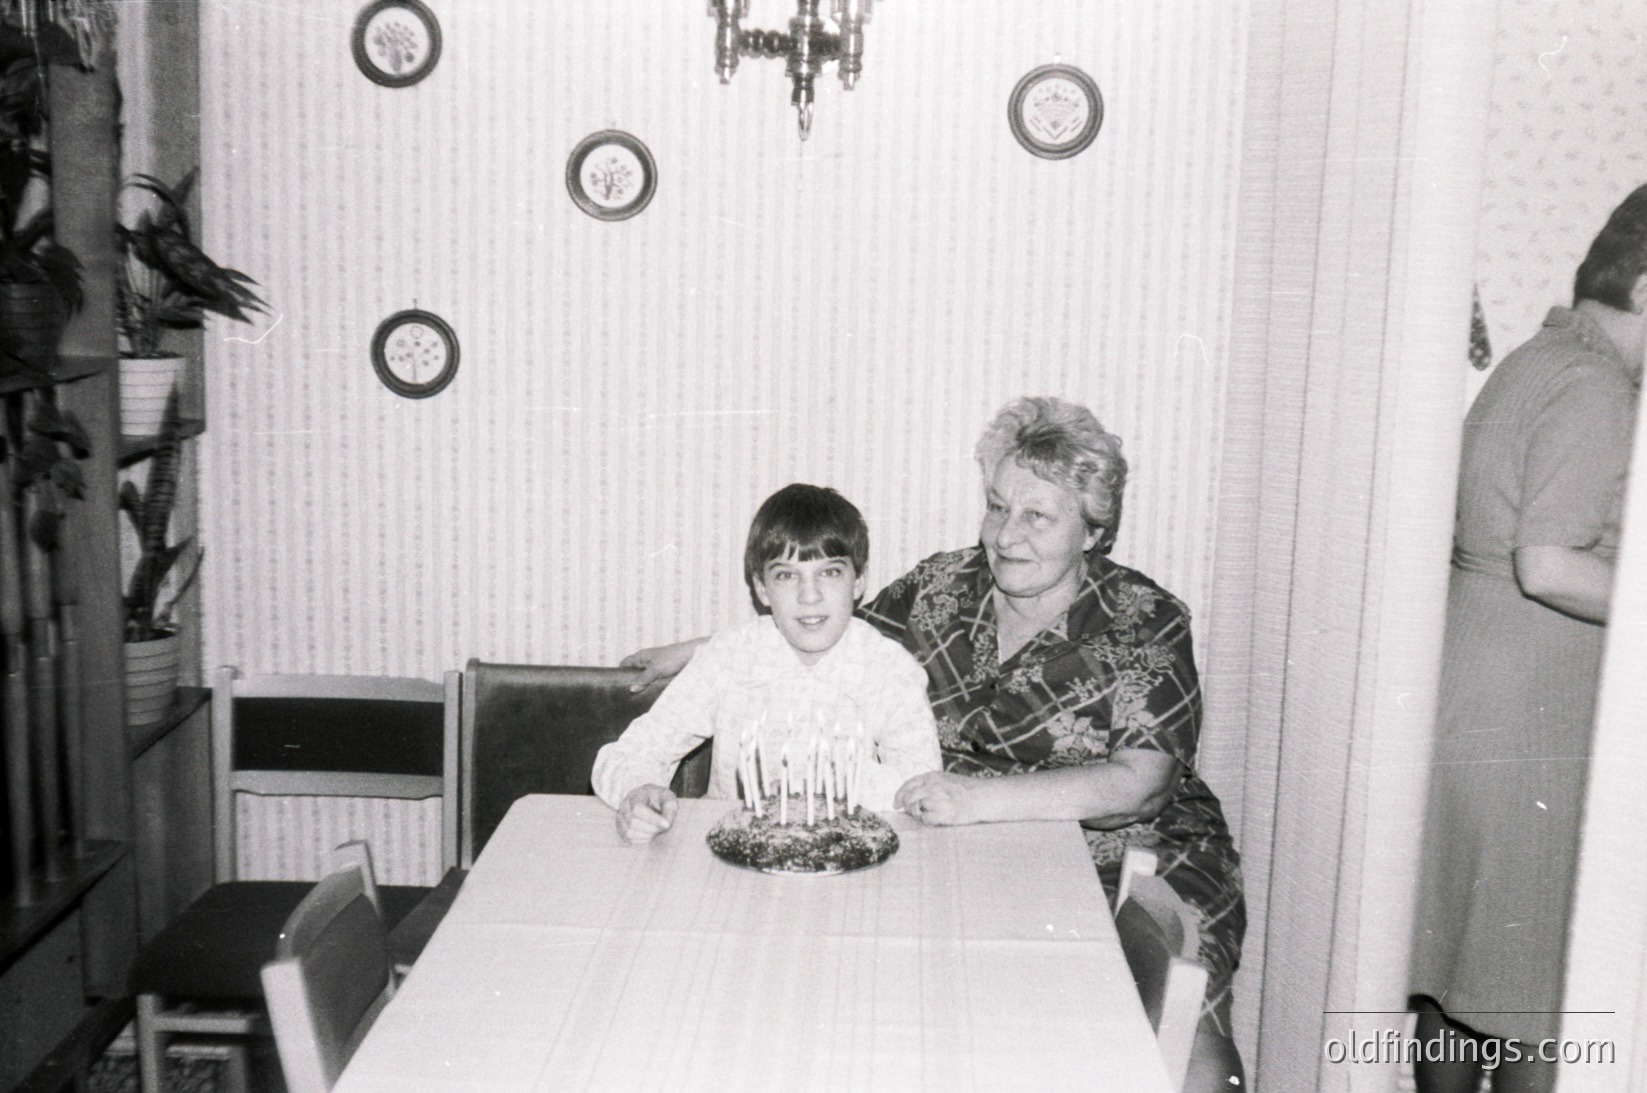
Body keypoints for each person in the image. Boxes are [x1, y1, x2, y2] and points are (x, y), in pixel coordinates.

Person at [625, 398, 1246, 1090]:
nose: (1005, 535)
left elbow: (1141, 784)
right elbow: (825, 624)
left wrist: (980, 798)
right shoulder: (942, 588)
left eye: (1036, 516)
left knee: (1162, 1043)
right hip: (960, 845)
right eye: (996, 506)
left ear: (1094, 529)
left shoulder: (1143, 620)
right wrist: (692, 653)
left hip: (1120, 855)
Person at [1409, 184, 1647, 1093]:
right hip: (1530, 717)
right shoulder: (1595, 389)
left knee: (1460, 970)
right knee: (1534, 994)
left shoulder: (1534, 358)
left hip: (1476, 689)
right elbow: (1546, 562)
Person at [592, 483, 941, 844]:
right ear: (761, 588)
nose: (810, 595)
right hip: (732, 856)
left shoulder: (890, 670)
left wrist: (826, 783)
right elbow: (635, 751)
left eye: (830, 572)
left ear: (859, 581)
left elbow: (924, 788)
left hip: (843, 857)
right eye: (787, 575)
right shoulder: (729, 656)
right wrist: (638, 792)